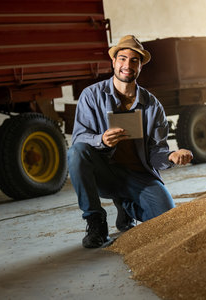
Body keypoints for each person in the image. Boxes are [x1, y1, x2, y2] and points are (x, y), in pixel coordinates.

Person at [67, 35, 193, 248]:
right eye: (122, 58)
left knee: (168, 220)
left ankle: (126, 206)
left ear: (141, 66)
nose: (127, 65)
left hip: (138, 175)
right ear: (114, 62)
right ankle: (96, 222)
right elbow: (80, 137)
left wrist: (171, 155)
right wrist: (101, 140)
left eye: (134, 60)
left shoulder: (152, 106)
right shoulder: (91, 96)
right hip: (104, 173)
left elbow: (157, 150)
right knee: (77, 152)